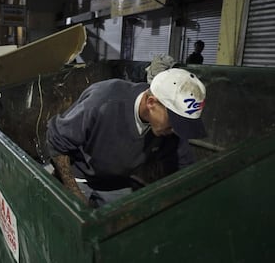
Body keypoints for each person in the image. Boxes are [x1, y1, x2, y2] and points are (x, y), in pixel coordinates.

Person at [46, 68, 206, 207]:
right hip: (80, 177)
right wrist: (75, 194)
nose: (174, 130)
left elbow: (185, 167)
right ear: (151, 102)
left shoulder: (169, 131)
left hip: (117, 181)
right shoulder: (103, 101)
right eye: (173, 122)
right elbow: (57, 139)